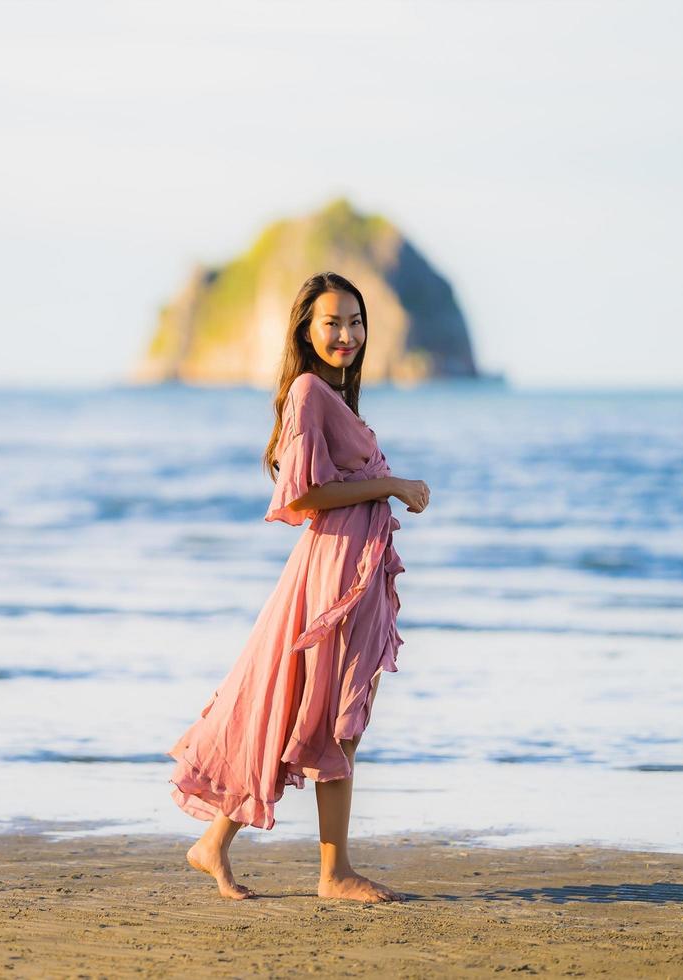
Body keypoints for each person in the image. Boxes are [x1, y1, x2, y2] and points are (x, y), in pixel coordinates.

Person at [166, 271, 431, 902]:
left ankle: (213, 845)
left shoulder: (331, 396)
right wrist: (392, 486)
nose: (346, 334)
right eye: (332, 322)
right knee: (334, 719)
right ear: (306, 331)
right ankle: (334, 874)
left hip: (347, 570)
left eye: (355, 322)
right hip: (331, 574)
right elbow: (304, 494)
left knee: (303, 709)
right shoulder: (310, 391)